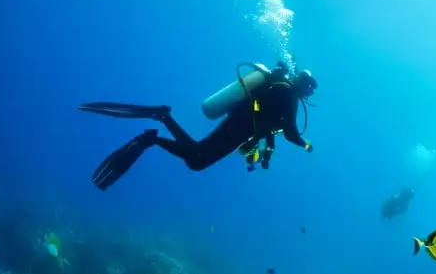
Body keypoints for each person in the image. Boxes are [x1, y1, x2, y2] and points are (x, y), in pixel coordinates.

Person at [79, 61, 317, 190]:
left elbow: (272, 124)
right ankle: (153, 136)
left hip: (240, 123)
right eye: (309, 89)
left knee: (198, 153)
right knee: (198, 160)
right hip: (240, 126)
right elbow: (290, 131)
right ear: (303, 85)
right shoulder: (288, 95)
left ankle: (163, 118)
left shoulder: (282, 91)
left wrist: (266, 151)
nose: (308, 94)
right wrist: (306, 145)